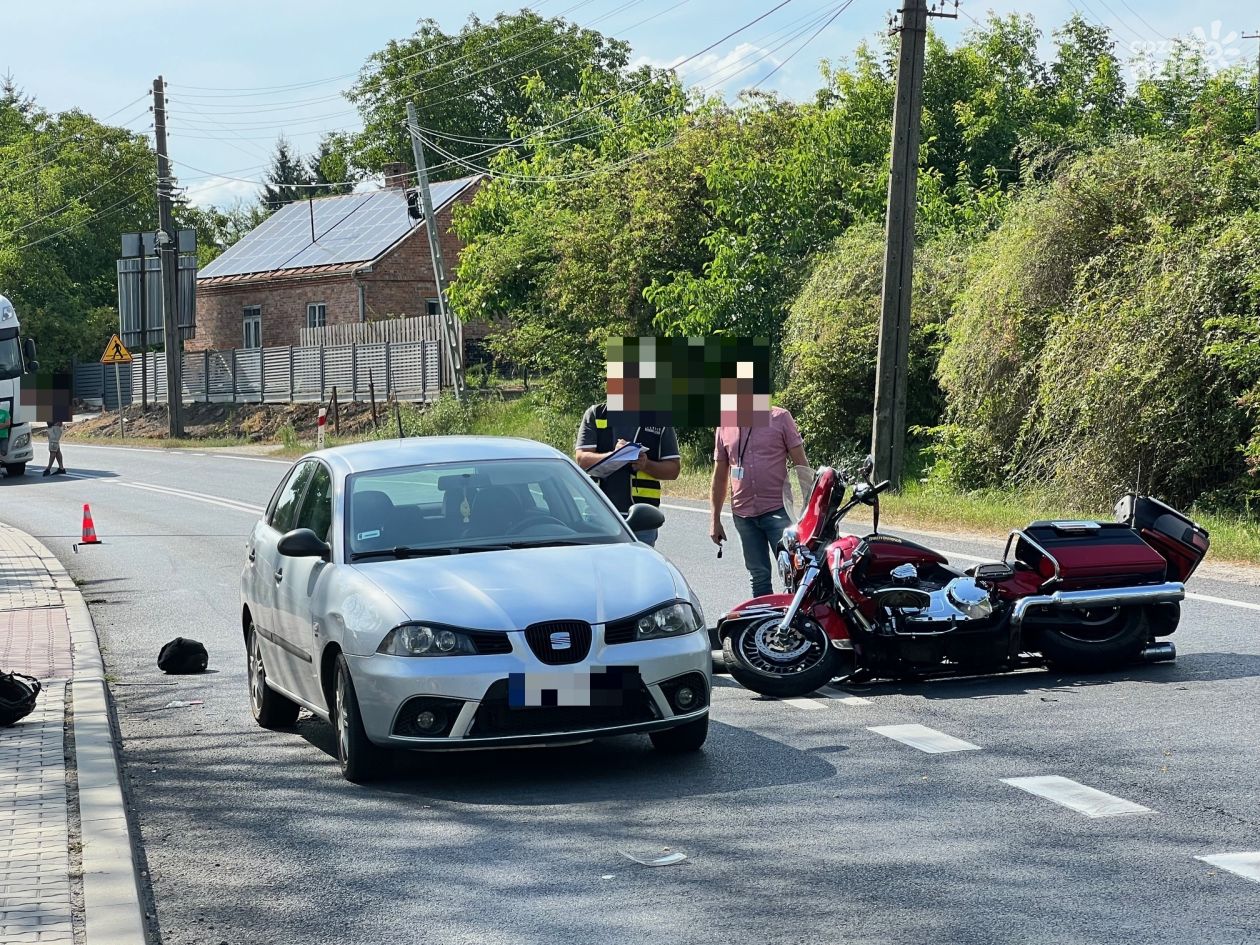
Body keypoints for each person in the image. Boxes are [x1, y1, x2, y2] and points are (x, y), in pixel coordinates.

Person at [710, 406, 809, 597]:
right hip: (743, 514)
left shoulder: (780, 417)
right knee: (759, 576)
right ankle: (766, 623)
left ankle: (797, 623)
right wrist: (714, 520)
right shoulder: (724, 424)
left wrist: (809, 509)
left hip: (778, 510)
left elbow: (801, 465)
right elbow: (719, 476)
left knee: (795, 573)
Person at [575, 403, 680, 546]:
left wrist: (646, 465)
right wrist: (614, 455)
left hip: (642, 519)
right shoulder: (596, 414)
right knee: (599, 567)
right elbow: (582, 459)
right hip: (598, 515)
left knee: (639, 568)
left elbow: (673, 469)